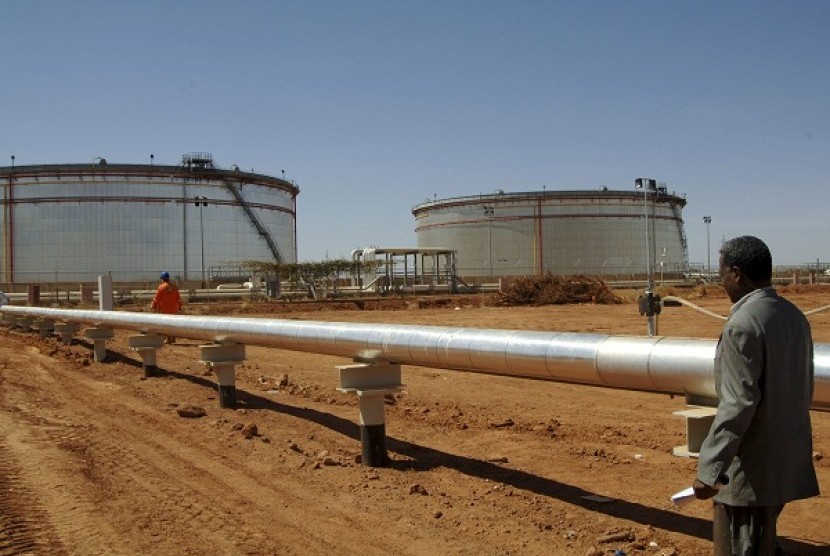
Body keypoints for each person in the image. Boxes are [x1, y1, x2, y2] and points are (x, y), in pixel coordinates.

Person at [693, 236, 819, 555]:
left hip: (751, 466)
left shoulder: (743, 325)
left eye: (721, 274)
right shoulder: (794, 317)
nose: (721, 283)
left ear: (737, 273)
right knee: (763, 539)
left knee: (739, 544)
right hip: (785, 458)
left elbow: (738, 403)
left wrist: (709, 470)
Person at [151, 271, 182, 344]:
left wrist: (153, 305)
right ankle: (173, 338)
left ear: (162, 279)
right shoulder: (174, 287)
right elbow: (179, 299)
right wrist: (179, 307)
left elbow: (156, 299)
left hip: (165, 309)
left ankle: (168, 339)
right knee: (173, 323)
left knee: (166, 324)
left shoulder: (161, 287)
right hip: (174, 309)